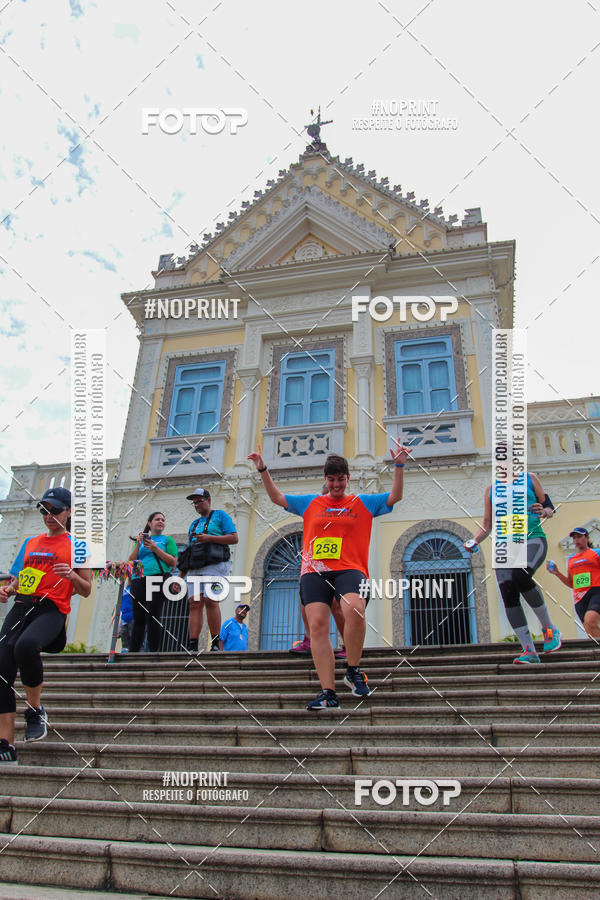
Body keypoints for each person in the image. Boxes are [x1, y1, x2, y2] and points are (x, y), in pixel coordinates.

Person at [248, 443, 411, 709]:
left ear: (348, 478)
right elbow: (277, 497)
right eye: (332, 479)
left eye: (341, 479)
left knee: (355, 609)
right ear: (325, 479)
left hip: (350, 569)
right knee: (317, 627)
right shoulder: (311, 503)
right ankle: (328, 693)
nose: (336, 485)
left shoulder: (362, 502)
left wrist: (399, 465)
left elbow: (395, 496)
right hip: (315, 571)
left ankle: (353, 670)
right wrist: (262, 468)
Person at [0, 487, 92, 763]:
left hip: (52, 609)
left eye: (55, 510)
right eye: (44, 510)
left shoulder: (79, 546)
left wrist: (72, 575)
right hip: (22, 606)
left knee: (26, 646)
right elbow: (20, 578)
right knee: (2, 667)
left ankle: (35, 710)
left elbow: (86, 589)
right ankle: (6, 742)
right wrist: (8, 590)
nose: (49, 516)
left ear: (69, 511)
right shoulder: (31, 542)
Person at [464, 471, 561, 663]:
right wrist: (474, 540)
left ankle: (550, 630)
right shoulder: (491, 490)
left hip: (532, 539)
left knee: (521, 575)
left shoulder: (530, 478)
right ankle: (529, 651)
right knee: (508, 593)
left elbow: (548, 507)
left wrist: (545, 512)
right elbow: (487, 524)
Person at [181, 489, 238, 653]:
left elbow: (234, 538)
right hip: (195, 565)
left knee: (211, 600)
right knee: (194, 603)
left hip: (215, 564)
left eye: (200, 501)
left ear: (209, 500)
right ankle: (193, 643)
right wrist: (180, 576)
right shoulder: (194, 524)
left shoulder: (220, 516)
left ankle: (214, 642)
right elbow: (189, 550)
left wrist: (209, 538)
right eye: (194, 502)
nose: (197, 505)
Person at [128, 512, 178, 653]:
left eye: (163, 520)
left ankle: (153, 652)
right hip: (138, 579)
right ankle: (133, 652)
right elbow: (131, 561)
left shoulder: (167, 540)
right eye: (157, 519)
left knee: (153, 615)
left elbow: (173, 562)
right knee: (138, 617)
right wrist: (138, 544)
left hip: (157, 578)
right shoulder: (141, 541)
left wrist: (155, 548)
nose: (161, 521)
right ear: (149, 524)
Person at [547, 527, 600, 639]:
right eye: (574, 538)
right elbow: (571, 583)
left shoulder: (596, 553)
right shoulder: (571, 559)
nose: (576, 540)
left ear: (587, 537)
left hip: (596, 592)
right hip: (579, 598)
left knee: (590, 621)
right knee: (588, 629)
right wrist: (557, 573)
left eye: (579, 537)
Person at [119, 584, 133, 653]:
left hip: (133, 617)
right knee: (124, 644)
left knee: (134, 640)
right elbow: (122, 606)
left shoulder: (138, 586)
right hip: (124, 619)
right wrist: (120, 622)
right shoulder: (125, 589)